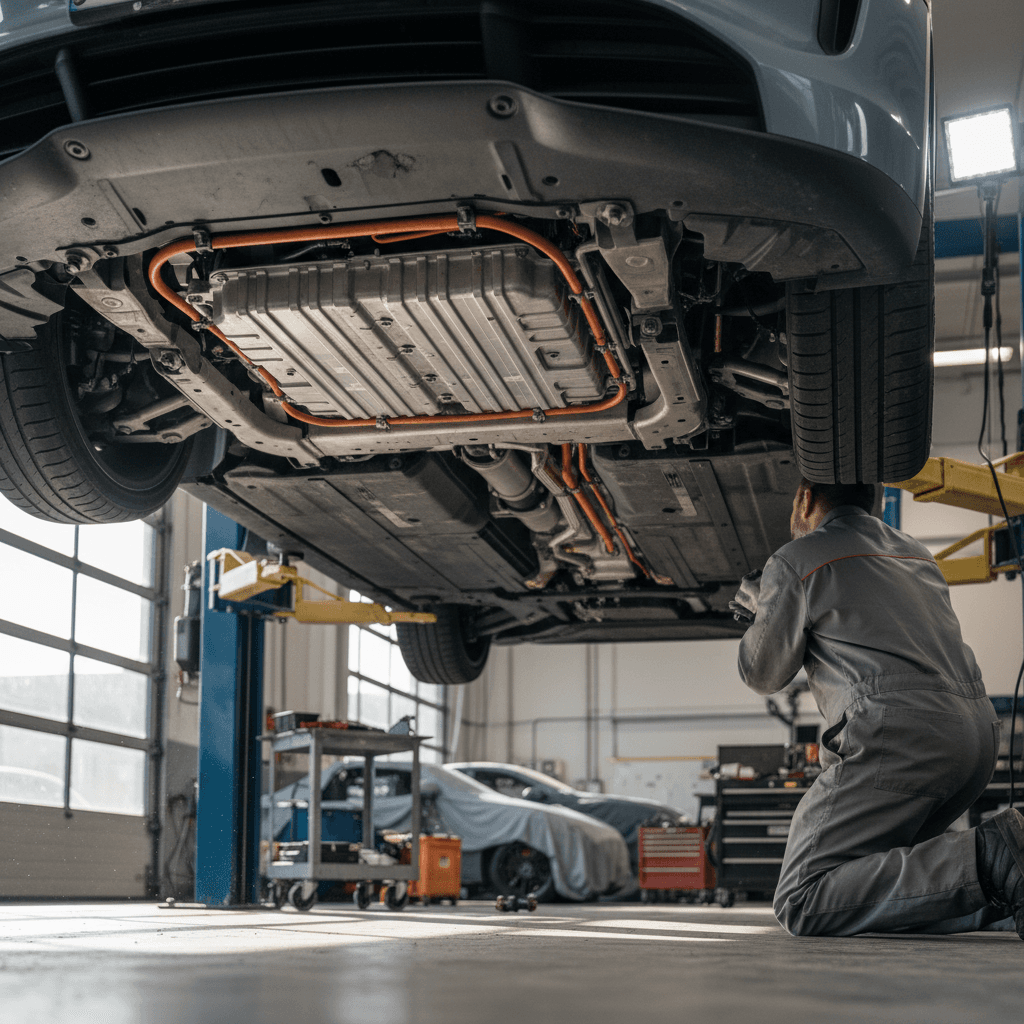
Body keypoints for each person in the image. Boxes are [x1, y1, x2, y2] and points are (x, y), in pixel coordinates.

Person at [731, 478, 1024, 938]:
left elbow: (763, 673)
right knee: (879, 880)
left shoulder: (794, 559)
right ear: (874, 500)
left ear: (804, 498)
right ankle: (1008, 890)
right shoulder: (916, 553)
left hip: (901, 737)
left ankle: (991, 857)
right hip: (976, 736)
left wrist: (761, 613)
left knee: (803, 897)